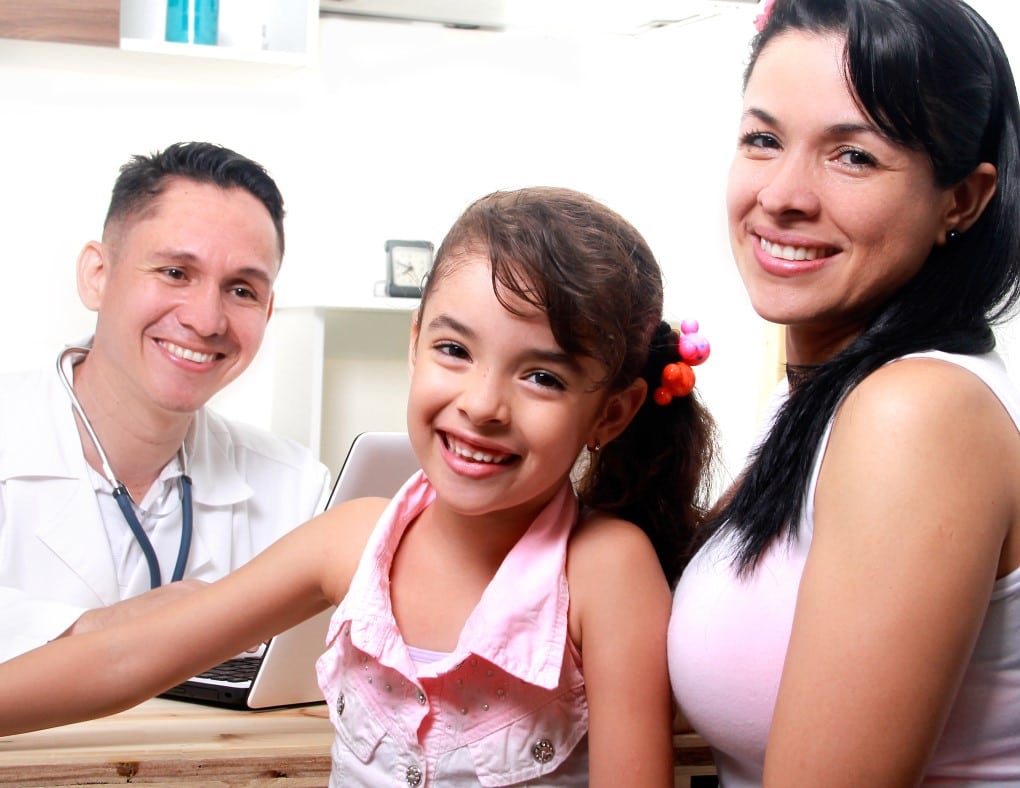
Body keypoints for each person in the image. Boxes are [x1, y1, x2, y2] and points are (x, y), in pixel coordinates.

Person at [0, 186, 716, 786]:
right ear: (413, 344)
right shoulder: (353, 540)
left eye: (542, 377)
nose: (481, 404)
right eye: (453, 350)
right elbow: (127, 657)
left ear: (612, 411)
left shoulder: (606, 571)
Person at [668, 0, 1020, 785]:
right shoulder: (821, 399)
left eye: (853, 156)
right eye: (763, 139)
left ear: (961, 199)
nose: (783, 194)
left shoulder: (916, 414)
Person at [0, 141, 330, 663]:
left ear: (268, 313)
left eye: (241, 290)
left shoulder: (295, 490)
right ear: (97, 275)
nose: (206, 320)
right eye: (175, 273)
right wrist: (97, 630)